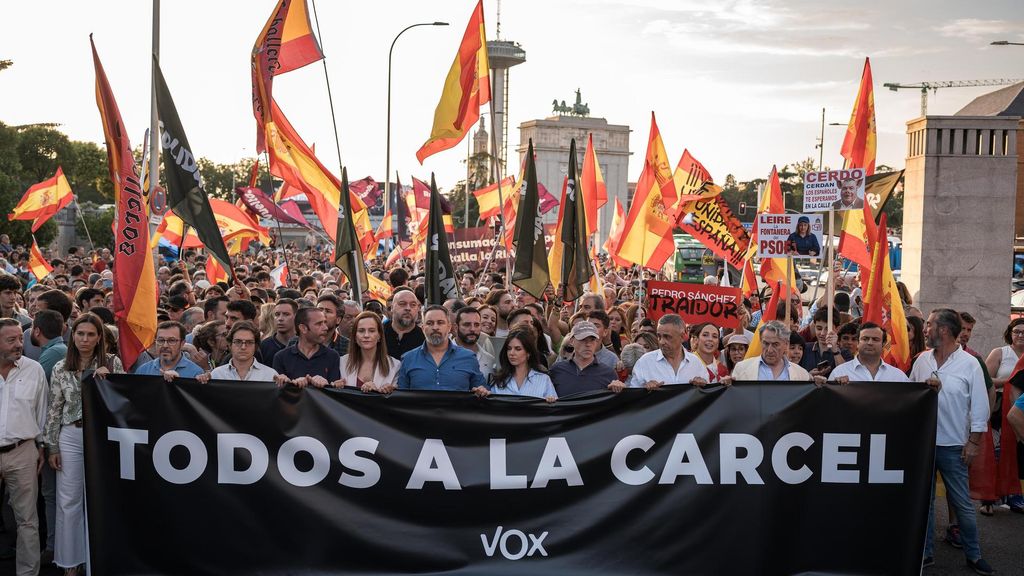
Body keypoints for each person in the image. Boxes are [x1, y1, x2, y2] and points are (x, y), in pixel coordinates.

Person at [910, 309, 993, 575]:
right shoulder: (922, 359)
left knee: (963, 505)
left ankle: (974, 554)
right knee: (925, 503)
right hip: (923, 445)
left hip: (954, 446)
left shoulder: (970, 364)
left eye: (929, 324)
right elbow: (910, 396)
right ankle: (926, 554)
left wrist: (973, 443)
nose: (925, 329)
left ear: (943, 330)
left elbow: (980, 406)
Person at [45, 313, 125, 575]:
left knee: (101, 497)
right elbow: (54, 409)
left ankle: (97, 560)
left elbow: (125, 401)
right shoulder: (60, 367)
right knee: (68, 499)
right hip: (72, 435)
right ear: (72, 335)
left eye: (91, 334)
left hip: (104, 435)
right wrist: (52, 446)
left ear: (100, 337)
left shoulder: (113, 363)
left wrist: (108, 381)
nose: (85, 339)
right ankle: (70, 563)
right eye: (80, 333)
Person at [0, 317, 47, 576]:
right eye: (11, 340)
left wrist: (40, 446)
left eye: (20, 338)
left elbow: (42, 411)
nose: (19, 344)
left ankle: (27, 573)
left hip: (23, 452)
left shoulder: (34, 369)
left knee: (27, 521)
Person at [396, 305, 487, 393]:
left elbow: (482, 390)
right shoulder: (408, 359)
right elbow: (401, 397)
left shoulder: (468, 358)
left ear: (449, 327)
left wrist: (482, 390)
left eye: (440, 322)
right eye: (430, 323)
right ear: (423, 328)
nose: (435, 327)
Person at [622, 314, 708, 391]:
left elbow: (709, 398)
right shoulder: (644, 362)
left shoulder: (696, 363)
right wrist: (644, 391)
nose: (662, 341)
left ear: (682, 337)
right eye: (659, 336)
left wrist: (704, 386)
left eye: (667, 337)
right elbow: (633, 398)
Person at [272, 307, 341, 387]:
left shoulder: (332, 356)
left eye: (325, 323)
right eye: (319, 324)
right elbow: (277, 394)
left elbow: (334, 394)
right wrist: (291, 384)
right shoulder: (281, 357)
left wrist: (326, 385)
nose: (325, 328)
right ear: (303, 328)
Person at [549, 321, 622, 396]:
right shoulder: (557, 370)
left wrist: (619, 389)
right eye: (583, 339)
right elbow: (547, 396)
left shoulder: (608, 373)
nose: (588, 344)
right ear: (572, 341)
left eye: (592, 340)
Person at [482, 328, 557, 401]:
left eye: (518, 349)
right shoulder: (498, 380)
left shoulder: (544, 380)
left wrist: (551, 401)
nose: (511, 353)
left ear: (528, 353)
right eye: (509, 348)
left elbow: (553, 408)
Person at [334, 311, 400, 392]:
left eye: (372, 331)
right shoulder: (342, 362)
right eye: (361, 331)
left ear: (379, 335)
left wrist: (379, 392)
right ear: (355, 336)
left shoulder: (394, 365)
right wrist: (335, 386)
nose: (366, 335)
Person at [731, 321, 817, 383]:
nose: (770, 350)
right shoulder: (742, 369)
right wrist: (725, 385)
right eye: (766, 343)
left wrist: (820, 386)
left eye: (775, 344)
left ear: (786, 345)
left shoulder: (801, 375)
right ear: (760, 341)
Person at [830, 323, 910, 383]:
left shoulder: (898, 377)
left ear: (884, 343)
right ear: (858, 342)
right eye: (865, 339)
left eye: (875, 339)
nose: (870, 343)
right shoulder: (839, 373)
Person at [203, 321, 278, 382]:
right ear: (230, 344)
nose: (243, 347)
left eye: (249, 342)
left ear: (256, 345)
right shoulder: (216, 374)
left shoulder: (270, 375)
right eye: (238, 342)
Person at [134, 321, 205, 380]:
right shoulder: (143, 370)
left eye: (171, 340)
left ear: (182, 343)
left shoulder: (196, 373)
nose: (165, 345)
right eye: (161, 340)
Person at [452, 307, 495, 378]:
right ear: (456, 327)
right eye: (467, 325)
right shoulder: (442, 355)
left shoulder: (489, 360)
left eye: (476, 325)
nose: (472, 329)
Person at [385, 288, 425, 360]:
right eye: (402, 304)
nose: (408, 308)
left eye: (413, 305)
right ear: (392, 307)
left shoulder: (424, 338)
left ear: (418, 308)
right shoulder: (379, 333)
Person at [259, 298, 297, 365]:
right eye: (277, 314)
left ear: (296, 316)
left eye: (286, 314)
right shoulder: (264, 346)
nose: (280, 318)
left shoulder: (304, 344)